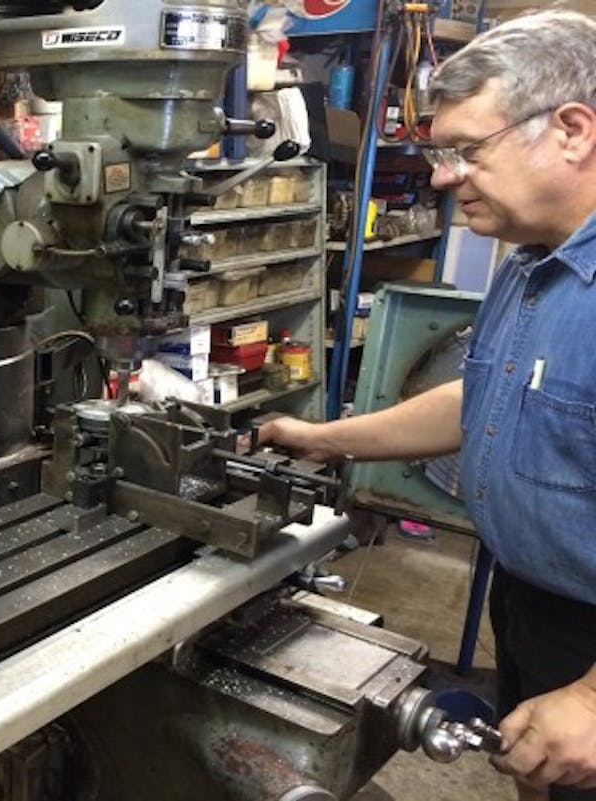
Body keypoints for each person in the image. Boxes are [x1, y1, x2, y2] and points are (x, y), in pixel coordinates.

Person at [258, 9, 596, 801]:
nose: (445, 175)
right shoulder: (529, 261)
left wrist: (589, 696)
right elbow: (482, 395)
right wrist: (326, 437)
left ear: (574, 129)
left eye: (468, 151)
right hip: (529, 604)